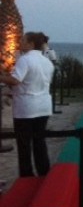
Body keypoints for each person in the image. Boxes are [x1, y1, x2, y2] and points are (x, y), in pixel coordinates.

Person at [0, 32, 55, 176]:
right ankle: (44, 172)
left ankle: (26, 175)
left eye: (23, 40)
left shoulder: (25, 60)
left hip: (26, 108)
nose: (20, 42)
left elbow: (16, 80)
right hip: (43, 106)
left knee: (24, 144)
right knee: (39, 142)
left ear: (31, 44)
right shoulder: (47, 62)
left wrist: (2, 77)